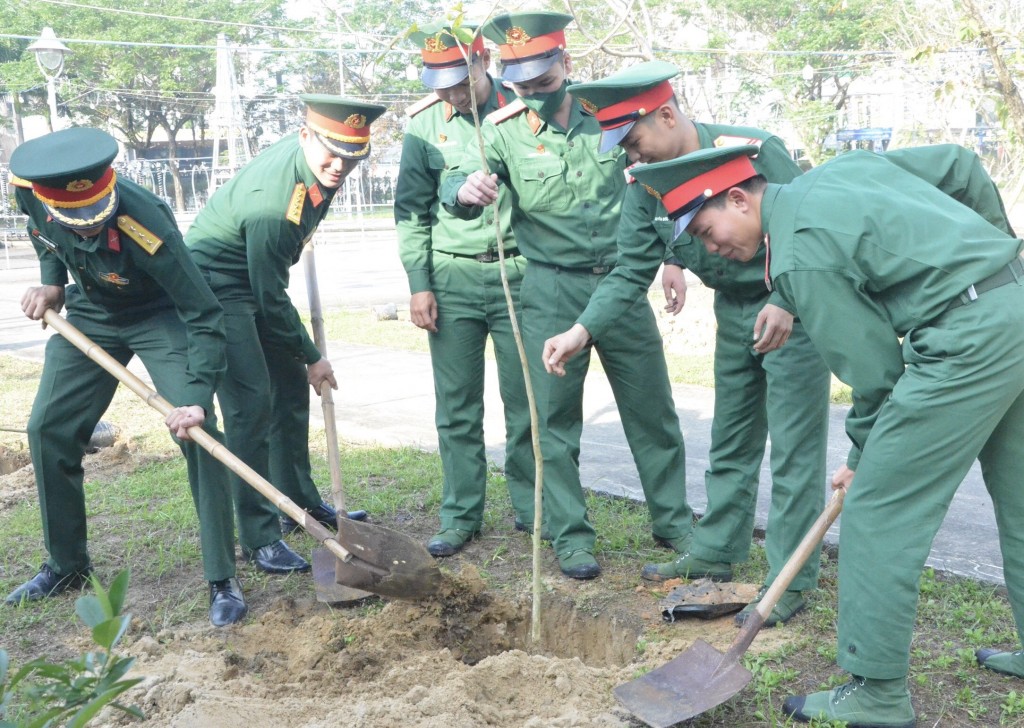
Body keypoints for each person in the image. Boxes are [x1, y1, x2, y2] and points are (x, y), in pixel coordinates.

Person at [630, 143, 1024, 727]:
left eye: (709, 232)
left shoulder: (799, 258)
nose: (712, 250)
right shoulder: (839, 170)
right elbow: (960, 166)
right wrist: (997, 256)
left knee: (877, 510)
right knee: (1020, 496)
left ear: (739, 197)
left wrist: (865, 455)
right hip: (1014, 304)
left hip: (962, 345)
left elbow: (875, 376)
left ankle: (878, 693)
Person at [541, 61, 830, 625]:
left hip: (792, 309)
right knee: (731, 440)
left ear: (667, 114)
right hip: (735, 313)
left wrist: (788, 299)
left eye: (635, 139)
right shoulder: (646, 185)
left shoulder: (752, 150)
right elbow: (629, 271)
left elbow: (809, 230)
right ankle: (718, 550)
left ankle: (789, 581)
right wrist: (582, 330)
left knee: (794, 451)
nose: (631, 155)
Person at [440, 12, 693, 579]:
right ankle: (570, 535)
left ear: (566, 64)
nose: (532, 96)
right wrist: (464, 190)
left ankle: (674, 522)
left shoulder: (610, 114)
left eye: (544, 82)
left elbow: (662, 180)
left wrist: (672, 258)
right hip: (551, 287)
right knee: (551, 422)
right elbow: (452, 185)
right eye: (522, 85)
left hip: (622, 283)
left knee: (652, 410)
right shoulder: (499, 128)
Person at [5, 128, 246, 627]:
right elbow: (42, 232)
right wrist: (53, 283)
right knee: (48, 429)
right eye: (75, 222)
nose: (87, 230)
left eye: (95, 221)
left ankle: (222, 576)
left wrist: (197, 396)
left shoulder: (145, 218)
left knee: (198, 435)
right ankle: (67, 565)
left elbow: (203, 312)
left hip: (160, 314)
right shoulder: (30, 190)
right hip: (92, 312)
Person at [186, 95, 382, 574]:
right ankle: (260, 535)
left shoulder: (323, 164)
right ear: (304, 136)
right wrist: (313, 354)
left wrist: (301, 361)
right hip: (217, 286)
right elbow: (268, 297)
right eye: (331, 154)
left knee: (291, 389)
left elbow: (271, 284)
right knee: (252, 403)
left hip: (255, 276)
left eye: (353, 156)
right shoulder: (275, 206)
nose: (341, 166)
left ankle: (298, 502)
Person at [396, 22, 536, 556]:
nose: (452, 94)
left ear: (484, 63)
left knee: (525, 399)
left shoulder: (521, 112)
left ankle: (530, 506)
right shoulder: (423, 127)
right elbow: (410, 211)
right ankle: (460, 515)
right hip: (451, 278)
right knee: (456, 406)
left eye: (461, 80)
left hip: (516, 275)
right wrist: (418, 285)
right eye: (441, 85)